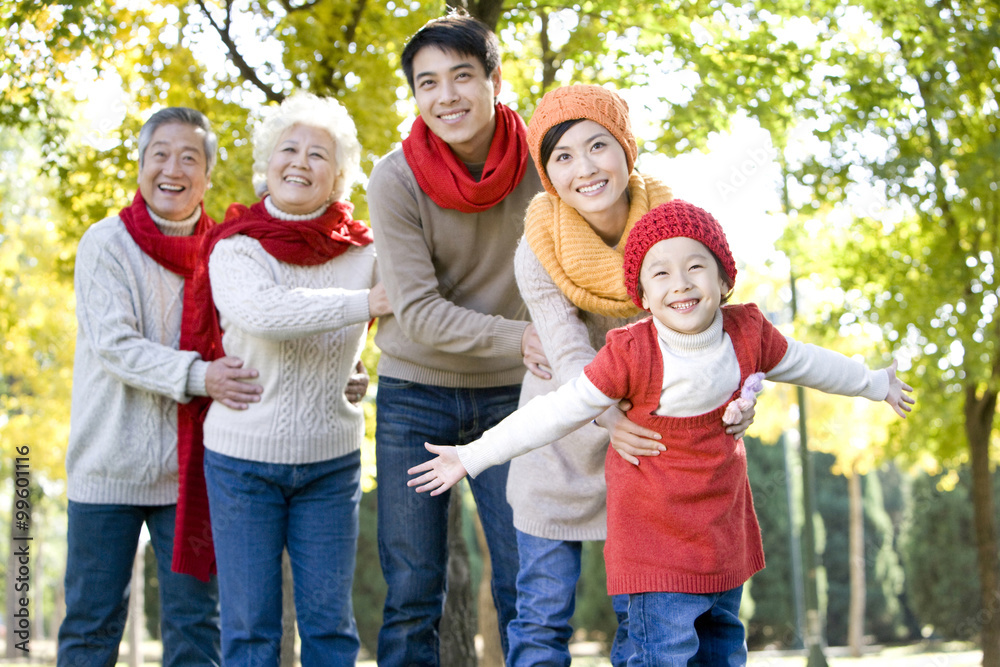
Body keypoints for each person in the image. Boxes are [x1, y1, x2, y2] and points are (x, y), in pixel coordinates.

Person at [409, 199, 915, 666]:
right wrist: (472, 455)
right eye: (661, 272)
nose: (681, 282)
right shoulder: (630, 353)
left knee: (723, 650)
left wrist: (874, 383)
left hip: (720, 540)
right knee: (661, 655)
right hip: (653, 548)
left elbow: (808, 362)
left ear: (723, 278)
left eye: (696, 265)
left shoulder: (749, 333)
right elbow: (557, 410)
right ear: (644, 296)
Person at [172, 92, 389, 665]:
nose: (299, 161)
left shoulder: (366, 252)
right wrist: (363, 302)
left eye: (318, 154)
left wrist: (356, 368)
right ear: (267, 163)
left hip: (331, 460)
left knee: (329, 630)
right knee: (250, 631)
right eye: (287, 149)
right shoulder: (236, 247)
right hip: (242, 461)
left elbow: (397, 323)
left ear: (339, 175)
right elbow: (265, 314)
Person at [366, 11, 549, 665]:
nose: (447, 96)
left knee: (527, 579)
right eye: (428, 82)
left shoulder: (545, 163)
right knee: (414, 588)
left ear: (495, 79)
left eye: (463, 76)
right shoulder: (395, 178)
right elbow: (415, 309)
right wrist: (524, 335)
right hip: (418, 394)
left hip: (517, 397)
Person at [60, 107, 262, 666]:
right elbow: (116, 346)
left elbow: (261, 334)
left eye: (189, 157)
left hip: (193, 476)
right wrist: (201, 375)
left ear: (208, 175)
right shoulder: (105, 244)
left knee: (197, 629)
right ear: (141, 165)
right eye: (160, 154)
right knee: (91, 626)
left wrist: (343, 373)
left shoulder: (228, 252)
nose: (172, 168)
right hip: (108, 468)